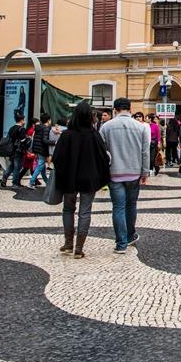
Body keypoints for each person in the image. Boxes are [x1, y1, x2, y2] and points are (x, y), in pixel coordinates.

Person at [52, 101, 111, 259]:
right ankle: (79, 247)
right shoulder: (94, 135)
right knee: (85, 212)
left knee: (68, 209)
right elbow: (103, 157)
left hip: (69, 178)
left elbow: (56, 158)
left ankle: (68, 242)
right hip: (88, 179)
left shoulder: (66, 135)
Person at [99, 97, 151, 254]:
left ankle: (121, 243)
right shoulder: (140, 127)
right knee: (131, 205)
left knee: (118, 207)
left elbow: (102, 152)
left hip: (114, 172)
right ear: (130, 108)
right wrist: (145, 172)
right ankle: (129, 235)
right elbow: (145, 152)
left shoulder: (106, 127)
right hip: (134, 171)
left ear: (115, 110)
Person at [0, 114, 29, 187]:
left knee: (12, 165)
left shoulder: (11, 128)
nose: (24, 121)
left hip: (11, 150)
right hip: (18, 151)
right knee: (17, 167)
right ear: (22, 120)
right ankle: (15, 183)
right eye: (24, 120)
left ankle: (4, 178)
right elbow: (23, 140)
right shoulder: (21, 129)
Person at [27, 114, 52, 189]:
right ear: (48, 120)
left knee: (42, 167)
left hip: (37, 149)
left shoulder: (38, 127)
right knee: (40, 166)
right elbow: (45, 140)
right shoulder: (46, 128)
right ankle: (31, 183)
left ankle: (47, 183)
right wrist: (54, 142)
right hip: (42, 149)